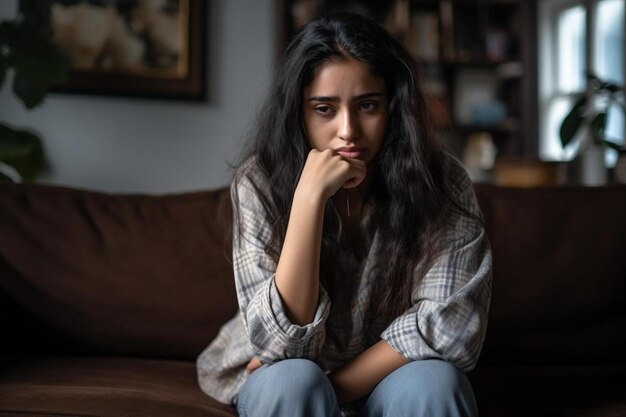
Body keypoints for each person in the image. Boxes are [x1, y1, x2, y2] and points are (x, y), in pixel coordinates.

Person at [197, 13, 491, 417]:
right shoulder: (260, 181)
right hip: (288, 373)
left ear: (393, 107)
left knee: (435, 384)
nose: (348, 130)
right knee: (292, 380)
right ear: (298, 114)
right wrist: (309, 197)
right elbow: (282, 347)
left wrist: (335, 388)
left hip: (394, 372)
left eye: (368, 105)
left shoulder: (444, 182)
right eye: (324, 109)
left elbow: (448, 325)